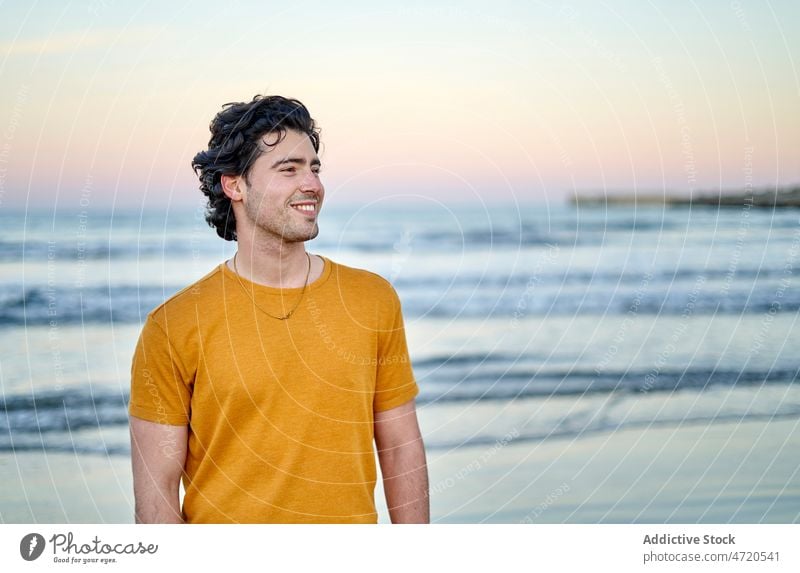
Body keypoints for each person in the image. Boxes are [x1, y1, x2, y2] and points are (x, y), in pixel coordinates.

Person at [128, 95, 429, 524]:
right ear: (234, 185)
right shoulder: (173, 326)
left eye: (314, 167)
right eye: (288, 169)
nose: (312, 184)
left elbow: (401, 448)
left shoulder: (372, 299)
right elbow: (156, 503)